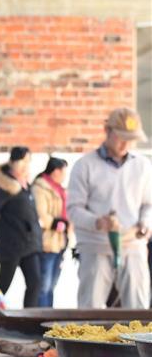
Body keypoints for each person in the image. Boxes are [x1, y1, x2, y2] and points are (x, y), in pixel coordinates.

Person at [67, 107, 152, 309]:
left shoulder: (142, 166)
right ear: (107, 131)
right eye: (121, 137)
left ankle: (138, 341)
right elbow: (74, 209)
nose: (126, 144)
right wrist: (97, 222)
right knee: (91, 306)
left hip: (133, 244)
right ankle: (87, 341)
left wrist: (145, 224)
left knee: (137, 305)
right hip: (95, 244)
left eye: (130, 139)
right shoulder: (85, 165)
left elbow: (148, 204)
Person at [0, 146, 43, 307]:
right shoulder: (5, 187)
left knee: (35, 283)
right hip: (11, 244)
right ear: (12, 162)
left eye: (28, 161)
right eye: (22, 161)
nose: (26, 165)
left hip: (29, 242)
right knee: (3, 285)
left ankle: (29, 318)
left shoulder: (27, 186)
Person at [31, 156, 70, 307]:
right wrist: (56, 224)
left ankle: (49, 317)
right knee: (43, 285)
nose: (65, 176)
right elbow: (40, 214)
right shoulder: (40, 188)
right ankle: (40, 319)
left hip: (60, 243)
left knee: (52, 286)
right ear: (55, 171)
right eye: (63, 172)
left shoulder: (60, 189)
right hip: (46, 243)